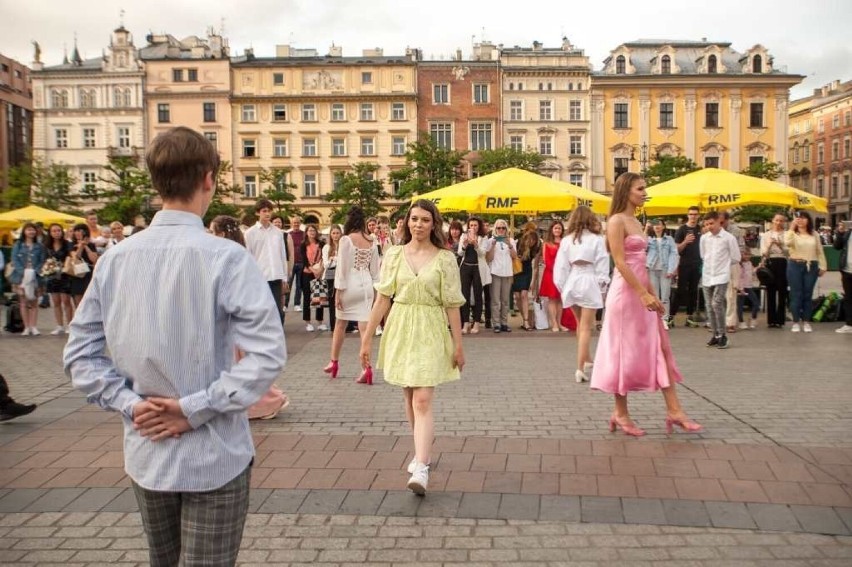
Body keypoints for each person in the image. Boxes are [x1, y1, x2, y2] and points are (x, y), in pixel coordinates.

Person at [63, 126, 287, 567]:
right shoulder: (226, 257)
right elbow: (267, 354)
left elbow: (79, 356)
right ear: (208, 179)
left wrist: (131, 404)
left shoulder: (115, 259)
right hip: (214, 451)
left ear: (155, 181)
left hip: (148, 446)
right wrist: (193, 408)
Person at [360, 199, 465, 495]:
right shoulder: (394, 254)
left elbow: (453, 304)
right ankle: (421, 451)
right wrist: (367, 337)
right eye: (414, 219)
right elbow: (383, 298)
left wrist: (459, 345)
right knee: (408, 394)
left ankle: (421, 466)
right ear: (407, 222)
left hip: (431, 327)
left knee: (422, 399)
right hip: (401, 325)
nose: (418, 224)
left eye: (425, 220)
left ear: (434, 224)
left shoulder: (444, 258)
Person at [591, 172, 702, 437]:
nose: (644, 192)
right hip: (625, 294)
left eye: (644, 188)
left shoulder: (637, 221)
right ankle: (621, 412)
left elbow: (641, 263)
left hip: (642, 291)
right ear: (626, 191)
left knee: (661, 347)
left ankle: (674, 410)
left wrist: (652, 294)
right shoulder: (617, 221)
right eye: (640, 188)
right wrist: (643, 293)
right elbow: (620, 262)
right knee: (623, 352)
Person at [554, 206, 610, 383]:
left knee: (580, 325)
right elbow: (603, 264)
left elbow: (560, 267)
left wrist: (563, 288)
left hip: (572, 280)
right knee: (586, 327)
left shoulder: (566, 240)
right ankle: (580, 367)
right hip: (590, 279)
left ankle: (587, 360)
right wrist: (602, 290)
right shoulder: (597, 239)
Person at [325, 208, 381, 381]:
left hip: (349, 284)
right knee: (365, 329)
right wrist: (376, 290)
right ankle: (367, 368)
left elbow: (342, 268)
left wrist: (338, 293)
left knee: (340, 324)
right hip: (366, 286)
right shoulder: (372, 241)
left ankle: (333, 361)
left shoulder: (346, 240)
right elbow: (375, 270)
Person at [244, 199, 289, 326]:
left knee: (278, 311)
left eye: (269, 211)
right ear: (258, 213)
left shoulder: (278, 233)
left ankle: (277, 337)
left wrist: (285, 277)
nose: (267, 214)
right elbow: (248, 256)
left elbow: (282, 255)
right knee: (262, 311)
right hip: (259, 277)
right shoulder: (250, 233)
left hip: (276, 276)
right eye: (264, 211)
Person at [700, 211, 741, 349]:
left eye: (711, 223)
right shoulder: (704, 238)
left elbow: (736, 257)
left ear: (719, 222)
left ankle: (723, 335)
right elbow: (703, 255)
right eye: (706, 224)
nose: (709, 226)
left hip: (721, 275)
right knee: (709, 306)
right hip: (707, 275)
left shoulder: (728, 238)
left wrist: (723, 265)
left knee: (717, 303)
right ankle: (715, 334)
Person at [785, 210, 827, 333]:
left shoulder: (814, 234)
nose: (801, 220)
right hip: (795, 265)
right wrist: (792, 228)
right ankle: (796, 321)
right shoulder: (791, 233)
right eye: (798, 218)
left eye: (803, 218)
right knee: (796, 294)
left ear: (808, 220)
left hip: (811, 265)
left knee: (807, 294)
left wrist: (823, 266)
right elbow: (787, 243)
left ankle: (806, 321)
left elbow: (819, 250)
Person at [9, 222, 46, 336]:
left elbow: (42, 260)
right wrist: (23, 272)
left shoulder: (39, 246)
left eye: (33, 230)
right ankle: (26, 327)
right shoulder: (18, 245)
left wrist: (36, 271)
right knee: (23, 302)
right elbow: (14, 260)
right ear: (24, 231)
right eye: (29, 230)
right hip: (21, 277)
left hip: (35, 277)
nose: (31, 232)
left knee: (34, 301)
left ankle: (34, 326)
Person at [483, 219, 518, 333]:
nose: (501, 230)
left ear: (506, 229)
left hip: (507, 273)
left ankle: (504, 322)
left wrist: (510, 245)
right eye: (499, 228)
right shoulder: (490, 241)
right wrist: (492, 246)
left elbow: (514, 256)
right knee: (495, 300)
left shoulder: (511, 240)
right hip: (495, 272)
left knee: (505, 300)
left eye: (503, 228)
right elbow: (488, 258)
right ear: (495, 229)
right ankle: (496, 323)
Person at [457, 217, 490, 334]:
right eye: (471, 225)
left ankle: (476, 322)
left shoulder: (483, 238)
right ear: (468, 226)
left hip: (478, 268)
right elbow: (460, 253)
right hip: (465, 267)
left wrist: (476, 245)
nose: (473, 227)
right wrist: (465, 245)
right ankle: (465, 322)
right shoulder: (463, 236)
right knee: (464, 295)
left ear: (479, 226)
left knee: (477, 295)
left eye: (475, 225)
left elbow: (483, 254)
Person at [646, 219, 679, 330]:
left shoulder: (669, 239)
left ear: (664, 226)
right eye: (655, 225)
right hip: (652, 269)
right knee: (654, 296)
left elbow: (674, 254)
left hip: (665, 270)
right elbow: (643, 249)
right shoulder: (649, 239)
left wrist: (671, 269)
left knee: (665, 296)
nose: (657, 226)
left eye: (659, 224)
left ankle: (664, 319)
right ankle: (655, 319)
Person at [673, 206, 703, 327]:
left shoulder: (701, 229)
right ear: (688, 215)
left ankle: (689, 317)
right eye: (691, 214)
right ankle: (671, 316)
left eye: (695, 214)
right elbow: (676, 249)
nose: (693, 216)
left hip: (697, 264)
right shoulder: (682, 229)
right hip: (684, 264)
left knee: (693, 291)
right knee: (680, 291)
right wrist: (685, 241)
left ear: (698, 216)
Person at [44, 223, 75, 335]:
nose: (57, 233)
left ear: (62, 232)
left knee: (66, 301)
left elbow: (71, 256)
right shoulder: (47, 245)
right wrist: (48, 267)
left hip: (65, 275)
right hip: (52, 275)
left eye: (58, 230)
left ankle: (70, 325)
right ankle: (59, 326)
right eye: (54, 231)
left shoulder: (67, 244)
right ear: (50, 233)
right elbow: (45, 260)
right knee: (56, 302)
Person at [760, 213, 789, 328]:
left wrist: (780, 244)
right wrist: (770, 244)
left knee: (782, 291)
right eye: (777, 220)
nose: (778, 223)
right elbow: (763, 253)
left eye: (781, 221)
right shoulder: (766, 235)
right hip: (770, 262)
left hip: (782, 262)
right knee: (770, 291)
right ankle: (771, 320)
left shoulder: (787, 235)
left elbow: (789, 252)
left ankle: (780, 319)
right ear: (772, 221)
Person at [538, 221, 568, 332]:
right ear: (552, 229)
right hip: (551, 273)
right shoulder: (546, 243)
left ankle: (559, 323)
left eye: (559, 228)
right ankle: (554, 323)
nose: (557, 230)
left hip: (563, 274)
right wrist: (556, 271)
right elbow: (546, 260)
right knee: (552, 299)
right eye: (555, 228)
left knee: (560, 299)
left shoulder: (565, 243)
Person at [512, 222, 541, 331]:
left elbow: (536, 265)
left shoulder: (537, 246)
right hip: (516, 270)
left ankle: (526, 321)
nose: (532, 242)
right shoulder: (519, 242)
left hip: (527, 271)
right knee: (517, 296)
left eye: (533, 240)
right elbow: (514, 257)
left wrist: (533, 281)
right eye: (530, 240)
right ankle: (526, 316)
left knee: (524, 294)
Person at [720, 211, 745, 333]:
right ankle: (717, 321)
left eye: (722, 222)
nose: (719, 224)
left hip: (732, 264)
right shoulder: (711, 231)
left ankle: (730, 322)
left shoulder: (735, 231)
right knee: (717, 295)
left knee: (731, 294)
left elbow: (741, 248)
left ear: (727, 220)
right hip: (717, 265)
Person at [299, 224, 326, 331]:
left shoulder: (321, 244)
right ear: (306, 232)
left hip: (319, 272)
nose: (312, 232)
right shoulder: (303, 245)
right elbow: (304, 260)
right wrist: (313, 270)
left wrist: (320, 270)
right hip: (307, 273)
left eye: (313, 230)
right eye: (310, 230)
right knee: (307, 297)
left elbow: (324, 257)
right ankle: (308, 322)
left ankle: (320, 322)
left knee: (320, 297)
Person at [68, 224, 99, 307]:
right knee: (78, 301)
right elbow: (76, 257)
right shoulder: (71, 244)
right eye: (76, 231)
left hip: (89, 274)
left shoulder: (91, 245)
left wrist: (86, 246)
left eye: (81, 231)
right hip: (77, 274)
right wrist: (81, 246)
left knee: (90, 300)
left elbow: (94, 259)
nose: (78, 233)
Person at [322, 224, 342, 331]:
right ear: (330, 234)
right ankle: (333, 325)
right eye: (333, 233)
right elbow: (326, 264)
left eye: (337, 233)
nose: (335, 235)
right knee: (332, 300)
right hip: (331, 276)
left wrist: (334, 259)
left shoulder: (343, 246)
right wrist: (336, 259)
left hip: (342, 275)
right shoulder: (327, 247)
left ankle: (344, 325)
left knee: (342, 300)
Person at [834, 221, 852, 333]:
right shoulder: (848, 232)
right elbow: (837, 246)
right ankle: (849, 324)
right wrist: (840, 233)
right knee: (849, 298)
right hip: (847, 270)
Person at [736, 248, 760, 330]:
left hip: (749, 286)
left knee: (756, 303)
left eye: (748, 254)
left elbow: (752, 272)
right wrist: (741, 288)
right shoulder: (739, 264)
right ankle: (741, 321)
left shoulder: (750, 263)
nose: (747, 256)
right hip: (742, 287)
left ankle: (753, 318)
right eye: (745, 254)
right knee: (740, 305)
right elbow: (739, 277)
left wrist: (758, 267)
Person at [286, 216, 305, 311]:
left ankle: (297, 304)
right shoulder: (288, 235)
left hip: (301, 263)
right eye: (294, 223)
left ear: (300, 224)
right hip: (291, 263)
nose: (296, 224)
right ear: (291, 224)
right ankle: (285, 304)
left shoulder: (304, 235)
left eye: (297, 222)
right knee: (288, 284)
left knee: (299, 285)